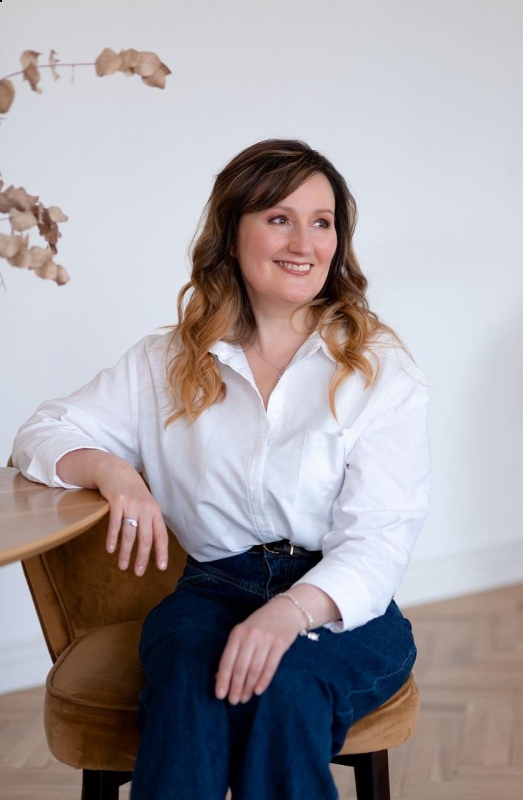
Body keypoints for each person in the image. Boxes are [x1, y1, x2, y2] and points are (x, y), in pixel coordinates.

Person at [12, 138, 431, 800]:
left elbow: (380, 540)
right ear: (232, 236)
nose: (304, 243)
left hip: (341, 601)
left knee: (286, 690)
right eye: (278, 218)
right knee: (189, 692)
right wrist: (116, 473)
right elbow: (41, 433)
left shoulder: (378, 369)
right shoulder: (166, 362)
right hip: (211, 590)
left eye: (321, 222)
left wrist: (289, 613)